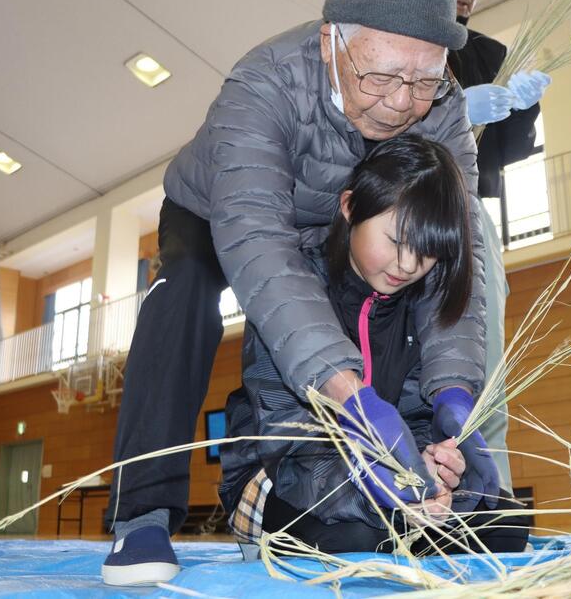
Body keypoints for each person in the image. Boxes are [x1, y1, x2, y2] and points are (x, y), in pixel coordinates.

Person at [102, 0, 489, 587]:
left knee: (394, 291)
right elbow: (261, 250)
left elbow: (453, 256)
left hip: (339, 222)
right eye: (382, 77)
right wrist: (353, 396)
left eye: (423, 82)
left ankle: (375, 488)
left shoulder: (442, 107)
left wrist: (456, 395)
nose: (401, 103)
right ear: (333, 39)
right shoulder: (263, 85)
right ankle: (143, 512)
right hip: (218, 206)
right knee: (184, 292)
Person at [220, 136, 527, 556]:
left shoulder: (418, 304)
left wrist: (433, 471)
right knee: (359, 540)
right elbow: (287, 442)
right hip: (283, 477)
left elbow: (416, 420)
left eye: (428, 251)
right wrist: (375, 490)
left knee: (503, 524)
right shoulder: (292, 290)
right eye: (397, 240)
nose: (408, 265)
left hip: (385, 496)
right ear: (350, 208)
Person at [426, 0, 551, 491]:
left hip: (469, 214)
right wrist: (450, 114)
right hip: (406, 216)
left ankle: (490, 495)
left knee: (485, 363)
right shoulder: (393, 43)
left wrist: (521, 109)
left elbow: (504, 152)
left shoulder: (484, 55)